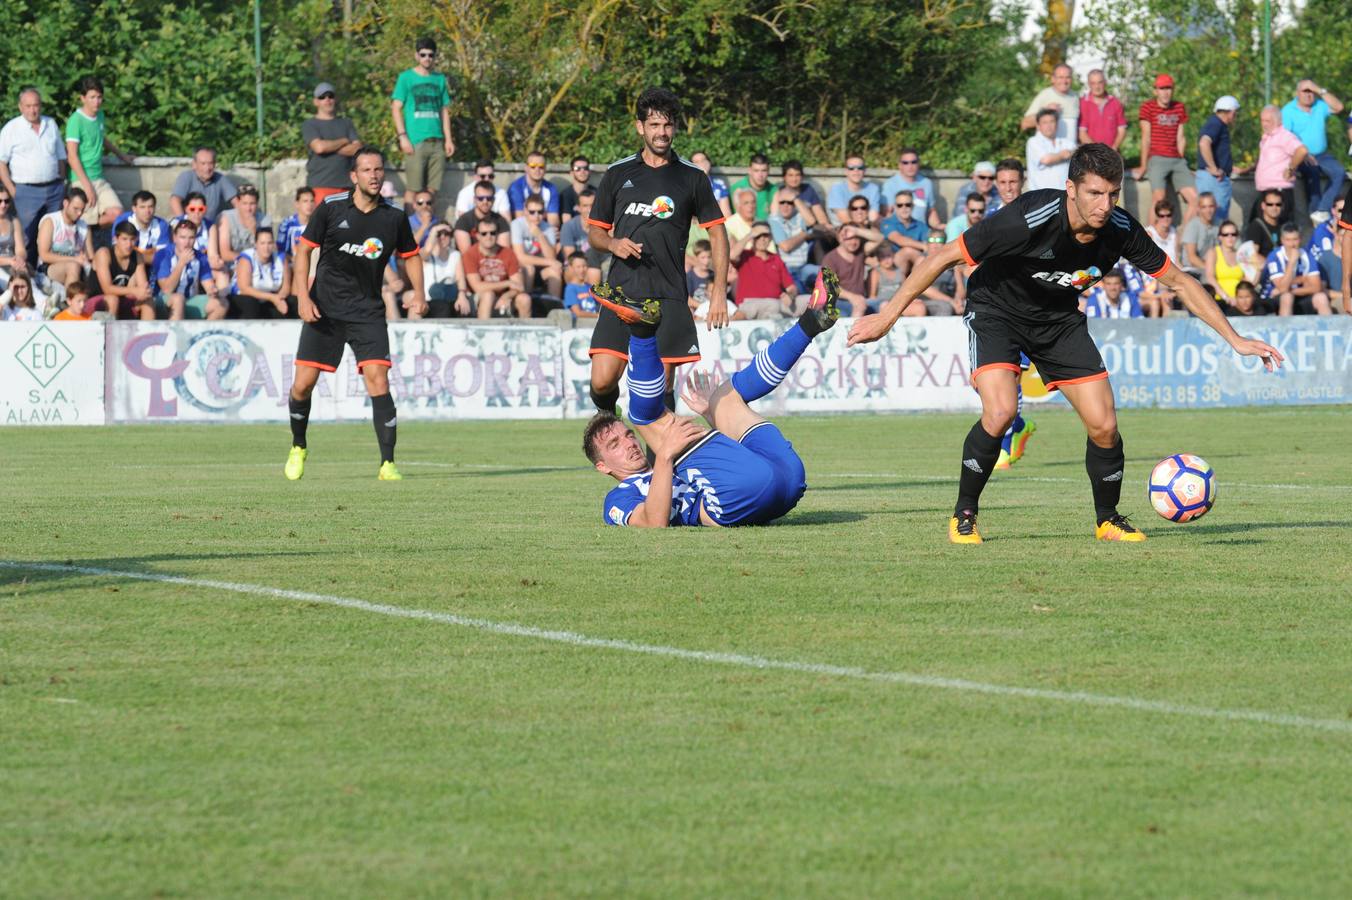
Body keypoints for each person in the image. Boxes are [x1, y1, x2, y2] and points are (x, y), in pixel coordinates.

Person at [848, 142, 1283, 543]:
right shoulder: (1028, 217)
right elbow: (942, 256)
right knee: (1000, 412)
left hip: (1058, 321)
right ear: (1070, 188)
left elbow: (1179, 281)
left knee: (1105, 425)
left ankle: (1107, 519)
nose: (1105, 204)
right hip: (998, 311)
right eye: (1095, 193)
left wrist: (1235, 338)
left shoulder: (1120, 228)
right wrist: (888, 317)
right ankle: (965, 513)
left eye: (1113, 194)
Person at [584, 270, 839, 527]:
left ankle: (810, 323)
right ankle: (642, 334)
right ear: (603, 467)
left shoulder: (675, 463)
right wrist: (663, 457)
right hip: (733, 499)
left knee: (723, 399)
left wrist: (711, 414)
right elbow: (653, 523)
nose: (629, 443)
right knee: (644, 417)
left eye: (627, 436)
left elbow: (731, 462)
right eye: (614, 444)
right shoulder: (617, 499)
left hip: (787, 479)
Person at [585, 87, 728, 420]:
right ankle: (611, 425)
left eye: (667, 125)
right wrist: (613, 243)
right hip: (621, 294)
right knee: (603, 380)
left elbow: (718, 232)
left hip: (668, 296)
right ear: (640, 127)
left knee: (660, 390)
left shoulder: (692, 177)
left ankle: (659, 470)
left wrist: (718, 290)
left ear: (675, 127)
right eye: (654, 125)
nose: (661, 132)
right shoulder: (617, 174)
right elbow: (594, 231)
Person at [286, 146, 424, 482]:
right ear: (354, 176)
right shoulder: (331, 208)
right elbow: (304, 251)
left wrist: (419, 293)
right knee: (303, 386)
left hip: (367, 312)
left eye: (379, 170)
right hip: (325, 311)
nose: (374, 175)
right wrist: (303, 297)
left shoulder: (393, 218)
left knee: (379, 379)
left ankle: (387, 464)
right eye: (367, 170)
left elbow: (412, 255)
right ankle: (298, 445)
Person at [0, 88, 67, 256]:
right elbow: (1, 163)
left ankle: (48, 275)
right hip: (25, 191)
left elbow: (61, 157)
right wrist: (13, 190)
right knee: (26, 236)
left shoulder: (50, 124)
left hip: (54, 189)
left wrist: (62, 183)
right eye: (28, 106)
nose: (32, 110)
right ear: (20, 107)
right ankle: (25, 276)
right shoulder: (11, 128)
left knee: (53, 236)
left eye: (36, 105)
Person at [391, 37, 454, 212]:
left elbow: (444, 110)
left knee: (432, 191)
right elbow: (396, 108)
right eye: (423, 54)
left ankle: (427, 228)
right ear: (417, 55)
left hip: (437, 141)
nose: (427, 58)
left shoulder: (439, 79)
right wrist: (403, 137)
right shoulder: (406, 78)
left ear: (435, 57)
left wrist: (448, 139)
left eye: (431, 55)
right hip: (415, 140)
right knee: (413, 189)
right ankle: (406, 229)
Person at [64, 76, 132, 228]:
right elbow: (72, 156)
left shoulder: (100, 116)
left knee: (118, 213)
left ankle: (93, 229)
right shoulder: (76, 120)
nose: (96, 101)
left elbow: (102, 138)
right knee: (82, 219)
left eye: (99, 97)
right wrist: (86, 186)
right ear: (83, 98)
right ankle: (86, 232)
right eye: (92, 97)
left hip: (99, 178)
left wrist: (122, 155)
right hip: (81, 179)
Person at [1134, 74, 1196, 225]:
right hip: (1157, 158)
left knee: (1196, 200)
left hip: (1177, 160)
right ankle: (1150, 240)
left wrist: (1182, 161)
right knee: (1159, 199)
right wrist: (1143, 165)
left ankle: (1181, 240)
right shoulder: (1148, 107)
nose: (1165, 92)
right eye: (1162, 89)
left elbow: (1181, 137)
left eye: (1168, 88)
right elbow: (1145, 137)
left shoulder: (1179, 107)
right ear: (1155, 91)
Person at [1282, 79, 1345, 223]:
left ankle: (1322, 210)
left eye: (1311, 91)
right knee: (1313, 173)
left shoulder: (1319, 105)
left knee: (1339, 172)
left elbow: (1339, 107)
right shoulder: (1288, 110)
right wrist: (1302, 154)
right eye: (1305, 90)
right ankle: (1314, 212)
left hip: (1322, 154)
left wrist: (1319, 89)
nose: (1309, 94)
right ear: (1298, 93)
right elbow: (1285, 137)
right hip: (1302, 155)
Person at [152, 219, 222, 319]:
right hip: (163, 301)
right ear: (174, 238)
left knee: (221, 303)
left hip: (189, 299)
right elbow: (167, 289)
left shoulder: (201, 257)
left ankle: (202, 334)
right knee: (178, 299)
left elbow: (209, 285)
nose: (187, 242)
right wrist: (181, 263)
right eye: (183, 237)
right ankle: (176, 334)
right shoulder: (163, 255)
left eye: (191, 238)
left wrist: (213, 290)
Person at [302, 82, 360, 201]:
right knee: (323, 220)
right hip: (320, 185)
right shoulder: (310, 124)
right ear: (316, 102)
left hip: (346, 186)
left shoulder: (346, 123)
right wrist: (344, 140)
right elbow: (319, 147)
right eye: (322, 97)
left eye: (330, 96)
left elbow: (358, 149)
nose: (327, 100)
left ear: (335, 99)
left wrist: (329, 147)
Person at [463, 218, 530, 318]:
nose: (489, 237)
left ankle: (526, 332)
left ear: (497, 234)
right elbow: (477, 287)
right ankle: (483, 331)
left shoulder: (508, 253)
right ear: (477, 236)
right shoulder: (470, 254)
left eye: (492, 233)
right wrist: (507, 283)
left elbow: (519, 286)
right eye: (484, 233)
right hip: (479, 298)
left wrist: (506, 296)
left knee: (525, 299)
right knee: (488, 295)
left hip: (504, 296)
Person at [730, 221, 799, 319]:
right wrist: (750, 234)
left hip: (777, 303)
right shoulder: (744, 255)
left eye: (765, 235)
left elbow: (791, 287)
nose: (762, 239)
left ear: (770, 238)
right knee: (773, 306)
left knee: (809, 301)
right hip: (750, 304)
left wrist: (790, 295)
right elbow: (732, 255)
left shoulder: (776, 259)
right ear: (752, 238)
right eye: (758, 235)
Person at [1261, 222, 1332, 316]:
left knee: (1321, 297)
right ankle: (1286, 329)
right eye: (1288, 240)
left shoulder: (1307, 256)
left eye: (1295, 239)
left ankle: (1327, 329)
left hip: (1299, 294)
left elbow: (1316, 287)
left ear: (1300, 239)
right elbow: (1282, 288)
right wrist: (1292, 263)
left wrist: (1291, 289)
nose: (1292, 244)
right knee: (1287, 297)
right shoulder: (1275, 257)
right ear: (1282, 240)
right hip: (1274, 298)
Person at [1253, 105, 1305, 227]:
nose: (1264, 124)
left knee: (1281, 229)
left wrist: (1291, 168)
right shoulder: (1267, 137)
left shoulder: (1284, 136)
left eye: (1268, 121)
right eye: (1262, 120)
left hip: (1279, 191)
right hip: (1265, 190)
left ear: (1277, 121)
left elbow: (1301, 151)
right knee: (1258, 226)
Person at [214, 184, 271, 292]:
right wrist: (246, 262)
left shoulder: (264, 220)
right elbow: (225, 253)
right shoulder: (226, 217)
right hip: (233, 265)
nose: (248, 208)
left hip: (258, 265)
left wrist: (254, 231)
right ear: (238, 203)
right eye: (245, 203)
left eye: (252, 204)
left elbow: (268, 250)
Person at [93, 220, 153, 319]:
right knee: (113, 299)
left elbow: (142, 287)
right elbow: (107, 289)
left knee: (147, 301)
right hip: (97, 301)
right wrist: (134, 290)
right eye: (124, 239)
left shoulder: (137, 256)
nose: (129, 244)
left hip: (122, 300)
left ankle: (148, 333)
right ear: (116, 239)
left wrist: (143, 292)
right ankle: (111, 334)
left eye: (132, 239)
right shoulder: (104, 253)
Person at [37, 186, 93, 290]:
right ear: (65, 203)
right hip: (49, 268)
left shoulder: (84, 226)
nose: (79, 214)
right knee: (73, 266)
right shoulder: (51, 221)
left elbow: (90, 256)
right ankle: (71, 302)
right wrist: (74, 259)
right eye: (76, 209)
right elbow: (44, 255)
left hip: (78, 268)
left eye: (82, 210)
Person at [231, 226, 291, 318]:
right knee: (251, 305)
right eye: (262, 243)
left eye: (269, 243)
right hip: (244, 296)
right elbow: (244, 288)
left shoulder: (281, 258)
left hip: (271, 298)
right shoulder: (247, 258)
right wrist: (272, 298)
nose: (266, 247)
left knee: (290, 303)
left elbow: (286, 287)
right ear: (256, 244)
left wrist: (279, 298)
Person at [510, 193, 562, 298]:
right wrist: (550, 262)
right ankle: (528, 302)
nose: (536, 216)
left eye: (540, 212)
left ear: (545, 213)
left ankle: (554, 306)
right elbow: (520, 257)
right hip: (522, 269)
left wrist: (540, 235)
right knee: (529, 268)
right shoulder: (517, 225)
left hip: (541, 269)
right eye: (532, 212)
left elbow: (551, 257)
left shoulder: (548, 228)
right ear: (525, 211)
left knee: (555, 271)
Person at [1196, 96, 1240, 219]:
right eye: (1235, 113)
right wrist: (1213, 168)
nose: (1235, 116)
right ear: (1231, 112)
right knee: (1217, 219)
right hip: (1214, 180)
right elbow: (1204, 143)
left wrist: (1227, 165)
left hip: (1211, 178)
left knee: (1210, 219)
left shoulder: (1215, 123)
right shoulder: (1216, 124)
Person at [768, 187, 818, 291]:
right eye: (782, 202)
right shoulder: (774, 220)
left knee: (828, 275)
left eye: (789, 202)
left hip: (804, 266)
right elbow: (786, 246)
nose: (785, 206)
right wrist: (804, 234)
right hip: (786, 269)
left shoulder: (799, 217)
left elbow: (812, 222)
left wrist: (795, 198)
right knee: (802, 295)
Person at [169, 147, 237, 219]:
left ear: (214, 164)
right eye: (203, 163)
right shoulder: (186, 177)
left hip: (211, 226)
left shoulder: (220, 179)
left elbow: (237, 202)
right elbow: (174, 200)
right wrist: (183, 222)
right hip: (189, 224)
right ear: (194, 164)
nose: (207, 168)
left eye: (210, 163)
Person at [880, 149, 941, 227]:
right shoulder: (890, 184)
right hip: (899, 230)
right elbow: (887, 214)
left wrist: (938, 227)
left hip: (921, 231)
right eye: (905, 163)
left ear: (918, 164)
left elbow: (931, 211)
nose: (910, 166)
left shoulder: (927, 183)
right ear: (900, 165)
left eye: (913, 162)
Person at [1021, 63, 1079, 144]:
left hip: (1070, 153)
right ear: (1053, 79)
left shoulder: (1075, 96)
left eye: (1067, 77)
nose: (1064, 81)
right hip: (1048, 154)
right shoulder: (1045, 95)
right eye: (1060, 77)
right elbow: (1025, 124)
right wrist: (1046, 111)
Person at [820, 226, 871, 316]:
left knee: (885, 305)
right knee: (859, 306)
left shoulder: (860, 253)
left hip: (862, 300)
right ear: (840, 239)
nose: (853, 242)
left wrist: (856, 230)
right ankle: (854, 330)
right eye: (849, 239)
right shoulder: (830, 258)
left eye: (856, 238)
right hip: (838, 302)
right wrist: (852, 297)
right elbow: (829, 286)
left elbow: (880, 239)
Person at [452, 180, 511, 255]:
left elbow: (504, 253)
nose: (485, 202)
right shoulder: (463, 221)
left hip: (496, 263)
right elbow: (467, 255)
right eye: (481, 198)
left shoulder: (501, 221)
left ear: (493, 200)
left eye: (489, 198)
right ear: (475, 200)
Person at [113, 191, 170, 269]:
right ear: (134, 209)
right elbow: (118, 253)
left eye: (150, 207)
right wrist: (148, 257)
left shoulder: (162, 225)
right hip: (127, 267)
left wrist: (136, 256)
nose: (147, 211)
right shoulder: (123, 221)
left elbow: (163, 257)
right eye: (142, 207)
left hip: (152, 268)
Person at [1307, 193, 1344, 306]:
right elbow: (1326, 262)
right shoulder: (1323, 231)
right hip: (1323, 285)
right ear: (1333, 211)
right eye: (1341, 210)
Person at [879, 189, 928, 275]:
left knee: (922, 259)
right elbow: (899, 240)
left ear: (912, 206)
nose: (904, 208)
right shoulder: (887, 222)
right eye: (900, 205)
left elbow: (929, 245)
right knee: (907, 251)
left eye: (907, 205)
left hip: (916, 264)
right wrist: (923, 246)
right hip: (892, 265)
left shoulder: (921, 225)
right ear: (894, 207)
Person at [1026, 108, 1074, 191]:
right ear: (1038, 126)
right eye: (1045, 122)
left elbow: (1078, 152)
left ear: (1057, 123)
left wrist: (1060, 156)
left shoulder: (1066, 142)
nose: (1049, 125)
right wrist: (1063, 155)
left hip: (1064, 194)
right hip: (1041, 195)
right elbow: (1046, 160)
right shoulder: (1033, 142)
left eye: (1052, 121)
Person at [507, 152, 560, 226]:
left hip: (545, 230)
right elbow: (520, 220)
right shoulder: (516, 188)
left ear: (545, 169)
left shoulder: (551, 188)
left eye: (541, 167)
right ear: (526, 168)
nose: (537, 169)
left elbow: (554, 222)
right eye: (533, 166)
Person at [1078, 69, 1126, 150]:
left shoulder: (1115, 102)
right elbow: (1082, 133)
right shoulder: (1082, 103)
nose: (1097, 87)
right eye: (1093, 83)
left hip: (1112, 153)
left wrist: (1113, 149)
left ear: (1105, 82)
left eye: (1100, 82)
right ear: (1089, 84)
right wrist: (1098, 153)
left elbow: (1122, 130)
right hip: (1091, 154)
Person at [828, 155, 882, 225]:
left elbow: (873, 218)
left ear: (864, 170)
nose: (856, 171)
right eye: (851, 168)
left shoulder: (873, 189)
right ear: (846, 171)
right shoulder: (837, 189)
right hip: (843, 229)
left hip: (867, 228)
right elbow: (846, 220)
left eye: (860, 168)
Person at [1204, 221, 1246, 304]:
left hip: (1240, 302)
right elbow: (1210, 277)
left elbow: (1246, 279)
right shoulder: (1213, 252)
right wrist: (1226, 297)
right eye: (1226, 235)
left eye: (1233, 234)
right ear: (1220, 237)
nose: (1230, 237)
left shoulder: (1241, 254)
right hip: (1220, 300)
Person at [780, 160, 829, 230]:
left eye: (797, 175)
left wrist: (825, 228)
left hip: (810, 230)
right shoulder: (780, 192)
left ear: (802, 177)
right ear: (784, 177)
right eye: (790, 175)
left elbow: (821, 216)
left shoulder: (808, 190)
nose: (794, 179)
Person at [1180, 192, 1219, 273]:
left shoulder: (1219, 224)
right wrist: (1211, 271)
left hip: (1212, 267)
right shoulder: (1193, 226)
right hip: (1192, 270)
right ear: (1198, 209)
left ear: (1216, 207)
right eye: (1204, 207)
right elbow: (1192, 258)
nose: (1208, 210)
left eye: (1211, 206)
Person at [729, 154, 775, 220]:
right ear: (749, 170)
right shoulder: (738, 189)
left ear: (768, 171)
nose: (760, 175)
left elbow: (775, 219)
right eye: (756, 170)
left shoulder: (773, 190)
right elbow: (739, 220)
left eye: (764, 170)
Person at [689, 151, 733, 219]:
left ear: (709, 162)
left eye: (703, 160)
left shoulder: (719, 184)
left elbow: (727, 215)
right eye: (696, 162)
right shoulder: (687, 186)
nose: (701, 163)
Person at [276, 187, 314, 265]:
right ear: (297, 204)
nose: (309, 205)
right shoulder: (287, 224)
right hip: (291, 266)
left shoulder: (318, 223)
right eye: (305, 201)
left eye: (312, 201)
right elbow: (280, 250)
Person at [0, 186, 29, 287]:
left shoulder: (14, 221)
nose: (3, 205)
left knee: (23, 271)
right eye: (0, 201)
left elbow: (20, 249)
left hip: (12, 262)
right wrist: (10, 261)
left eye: (6, 201)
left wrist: (19, 259)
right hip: (3, 264)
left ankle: (43, 301)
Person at [1245, 189, 1286, 258]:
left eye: (1278, 204)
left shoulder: (1284, 225)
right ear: (1263, 206)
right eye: (1270, 204)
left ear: (1282, 206)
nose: (1274, 208)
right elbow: (1252, 257)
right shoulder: (1256, 227)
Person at [562, 252, 598, 320]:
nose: (582, 270)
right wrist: (598, 316)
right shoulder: (570, 289)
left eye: (584, 266)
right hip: (580, 327)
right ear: (571, 268)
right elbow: (577, 313)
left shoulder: (591, 287)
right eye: (578, 267)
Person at [1145, 200, 1180, 265]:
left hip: (1173, 271)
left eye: (1168, 215)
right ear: (1157, 216)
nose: (1165, 218)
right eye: (1162, 216)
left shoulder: (1174, 233)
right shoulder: (1149, 234)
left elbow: (1177, 260)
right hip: (1154, 271)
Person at [559, 156, 592, 222]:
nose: (582, 171)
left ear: (590, 172)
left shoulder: (597, 193)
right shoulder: (566, 195)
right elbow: (566, 223)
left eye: (585, 168)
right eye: (577, 169)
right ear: (571, 173)